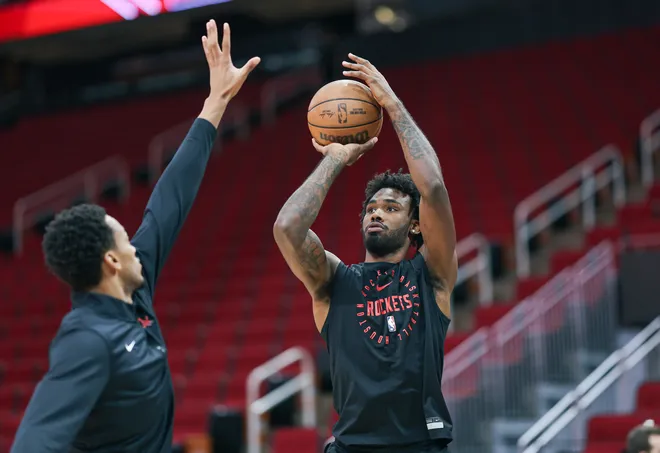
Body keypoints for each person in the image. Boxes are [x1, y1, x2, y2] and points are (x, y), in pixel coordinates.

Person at [10, 20, 260, 453]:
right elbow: (35, 440)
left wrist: (215, 102)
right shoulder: (86, 339)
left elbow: (168, 203)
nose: (136, 246)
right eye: (126, 240)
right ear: (111, 261)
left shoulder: (132, 296)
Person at [274, 53, 457, 453]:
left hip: (421, 444)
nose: (376, 212)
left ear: (414, 226)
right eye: (371, 208)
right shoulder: (335, 281)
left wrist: (391, 104)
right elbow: (287, 228)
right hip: (352, 447)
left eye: (391, 208)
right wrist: (335, 160)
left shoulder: (430, 275)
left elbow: (435, 190)